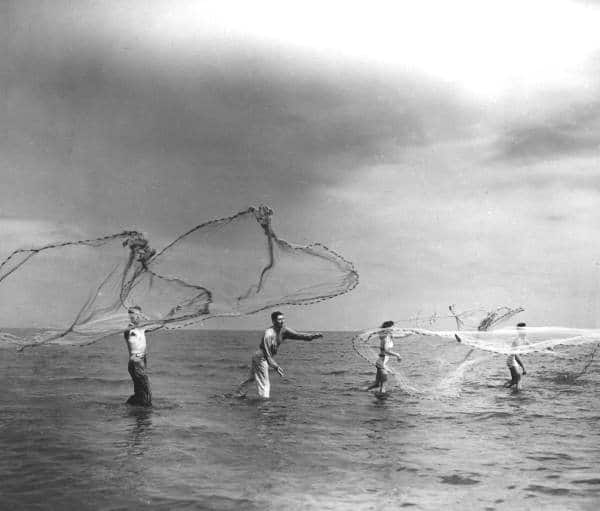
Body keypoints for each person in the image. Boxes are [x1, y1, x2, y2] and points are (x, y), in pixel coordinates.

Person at [235, 311, 323, 398]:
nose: (282, 321)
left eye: (283, 319)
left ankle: (238, 394)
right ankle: (264, 405)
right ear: (273, 321)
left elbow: (297, 335)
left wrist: (312, 336)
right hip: (261, 357)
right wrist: (276, 366)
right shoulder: (268, 334)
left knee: (252, 378)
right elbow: (267, 355)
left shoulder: (283, 330)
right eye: (280, 319)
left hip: (262, 356)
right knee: (264, 383)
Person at [124, 305, 153, 406]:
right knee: (146, 391)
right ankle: (145, 414)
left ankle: (130, 407)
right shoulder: (129, 330)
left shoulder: (142, 329)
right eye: (131, 313)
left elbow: (159, 324)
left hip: (142, 361)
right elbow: (130, 332)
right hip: (135, 362)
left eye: (136, 314)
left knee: (140, 391)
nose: (133, 315)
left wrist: (172, 312)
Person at [365, 320, 402, 394]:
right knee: (383, 387)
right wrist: (397, 355)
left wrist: (413, 332)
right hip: (381, 363)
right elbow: (385, 351)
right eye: (392, 328)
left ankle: (361, 391)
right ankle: (382, 404)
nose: (393, 330)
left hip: (381, 362)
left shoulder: (388, 337)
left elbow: (401, 335)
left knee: (377, 384)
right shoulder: (385, 338)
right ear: (387, 329)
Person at [504, 322, 527, 391]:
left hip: (513, 360)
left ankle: (504, 388)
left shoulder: (524, 338)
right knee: (518, 377)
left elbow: (532, 346)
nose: (525, 331)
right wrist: (523, 367)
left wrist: (546, 347)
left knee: (514, 380)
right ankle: (518, 395)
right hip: (512, 360)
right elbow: (516, 356)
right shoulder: (517, 340)